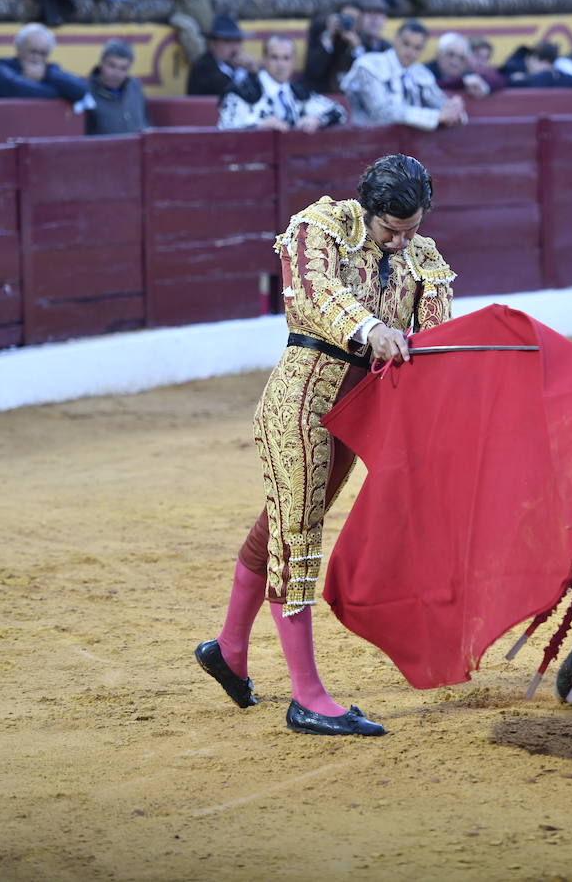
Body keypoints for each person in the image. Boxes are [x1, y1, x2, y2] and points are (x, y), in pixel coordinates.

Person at [194, 154, 455, 737]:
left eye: (412, 229)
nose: (402, 241)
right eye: (393, 230)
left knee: (281, 524)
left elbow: (434, 334)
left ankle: (229, 651)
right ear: (370, 211)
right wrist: (371, 330)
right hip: (302, 401)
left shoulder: (422, 257)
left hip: (361, 414)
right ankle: (306, 696)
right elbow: (315, 295)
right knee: (299, 535)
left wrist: (429, 348)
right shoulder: (322, 226)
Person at [341, 21, 466, 130]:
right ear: (395, 40)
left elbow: (439, 102)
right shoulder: (368, 65)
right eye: (406, 44)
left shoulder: (420, 73)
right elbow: (380, 112)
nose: (410, 52)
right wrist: (435, 116)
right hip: (364, 143)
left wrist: (453, 108)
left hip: (407, 148)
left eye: (417, 48)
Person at [219, 35, 346, 131]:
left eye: (286, 58)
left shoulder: (297, 92)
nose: (281, 65)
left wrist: (317, 120)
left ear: (294, 61)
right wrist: (259, 126)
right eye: (274, 57)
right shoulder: (242, 91)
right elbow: (225, 128)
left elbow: (339, 112)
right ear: (264, 59)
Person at [0, 23, 93, 110]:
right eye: (32, 52)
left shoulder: (49, 71)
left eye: (43, 54)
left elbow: (81, 90)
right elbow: (17, 89)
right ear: (19, 49)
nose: (37, 58)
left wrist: (45, 74)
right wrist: (57, 92)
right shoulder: (2, 67)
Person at [86, 40, 150, 135]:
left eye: (123, 68)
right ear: (101, 63)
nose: (117, 73)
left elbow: (145, 122)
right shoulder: (87, 91)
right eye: (112, 66)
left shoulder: (135, 87)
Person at [187, 15, 260, 97]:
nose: (235, 47)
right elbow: (231, 92)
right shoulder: (203, 68)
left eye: (238, 41)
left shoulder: (239, 67)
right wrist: (251, 74)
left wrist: (253, 72)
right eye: (227, 41)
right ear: (212, 44)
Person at [427, 32, 501, 99]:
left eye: (461, 58)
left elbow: (499, 80)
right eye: (450, 54)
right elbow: (433, 85)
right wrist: (463, 82)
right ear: (438, 54)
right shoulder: (424, 71)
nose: (455, 61)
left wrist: (484, 87)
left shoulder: (466, 72)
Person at [505, 41, 572, 88]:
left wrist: (527, 78)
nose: (544, 67)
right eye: (539, 60)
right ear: (528, 59)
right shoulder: (513, 68)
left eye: (547, 63)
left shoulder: (556, 75)